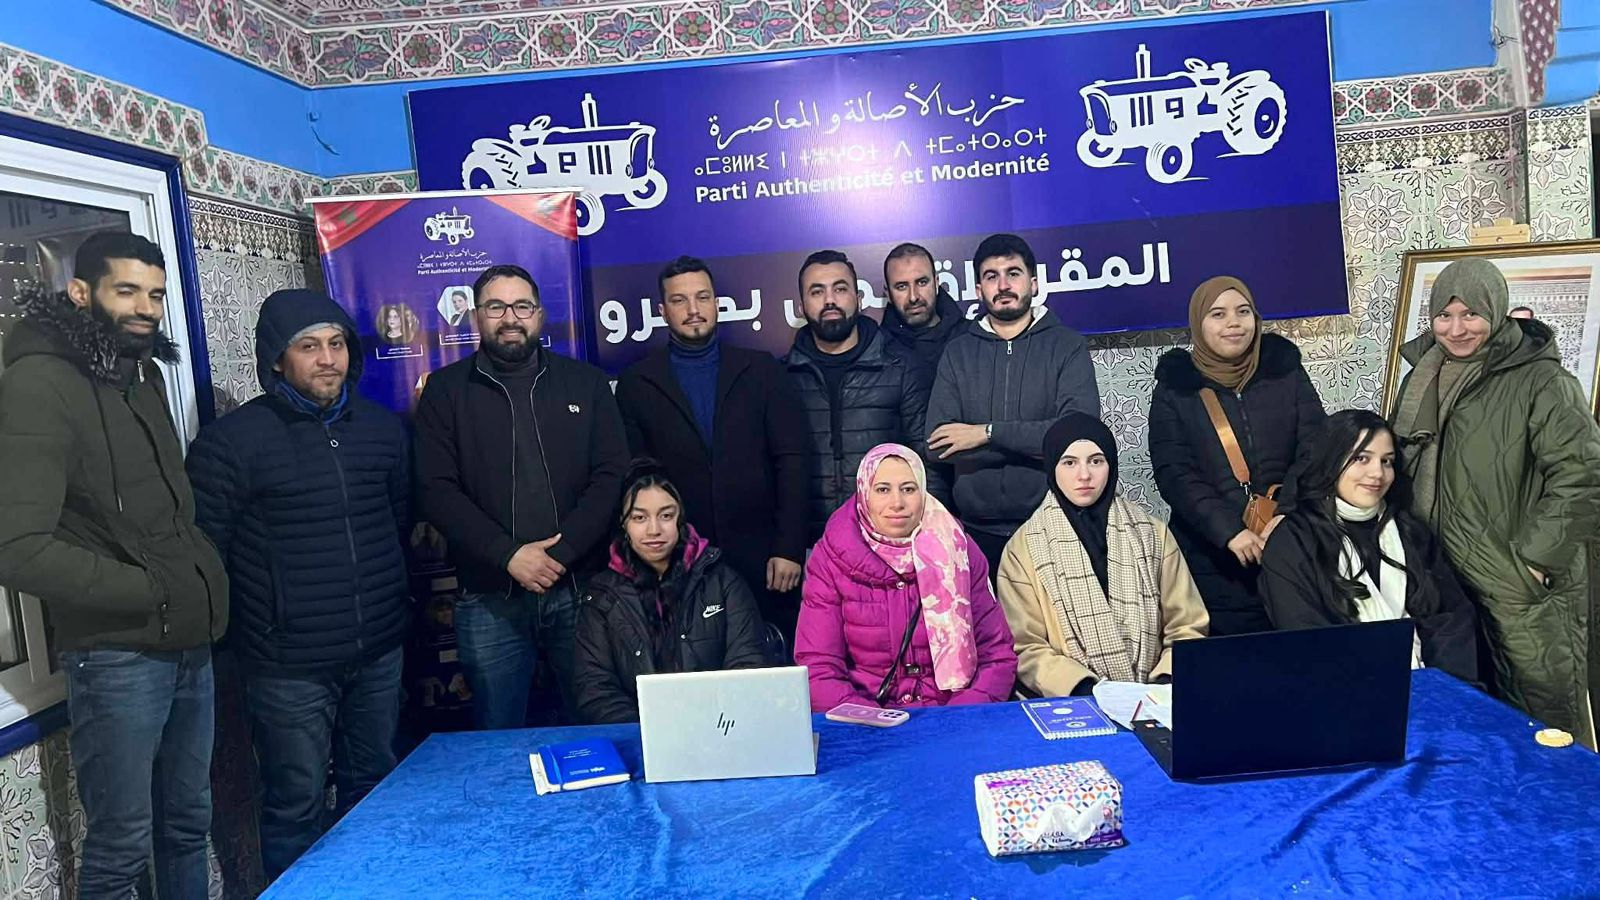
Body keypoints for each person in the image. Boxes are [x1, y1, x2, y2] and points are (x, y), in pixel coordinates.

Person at [0, 232, 227, 900]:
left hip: (187, 640)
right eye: (126, 290)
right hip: (116, 654)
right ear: (80, 292)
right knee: (121, 848)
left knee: (187, 823)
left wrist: (190, 587)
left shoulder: (141, 375)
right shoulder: (38, 383)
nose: (144, 308)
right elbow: (17, 546)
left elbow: (165, 516)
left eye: (154, 294)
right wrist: (148, 590)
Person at [187, 289, 411, 880]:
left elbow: (399, 519)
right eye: (309, 346)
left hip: (377, 650)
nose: (327, 359)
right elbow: (208, 553)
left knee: (376, 787)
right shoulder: (231, 443)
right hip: (288, 666)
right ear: (277, 359)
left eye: (337, 343)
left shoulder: (382, 431)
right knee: (295, 805)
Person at [1392, 258, 1600, 745]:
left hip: (1519, 582)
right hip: (1443, 578)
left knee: (1544, 719)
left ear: (1497, 311)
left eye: (1471, 314)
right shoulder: (1422, 375)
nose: (1457, 329)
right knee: (1471, 720)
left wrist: (1535, 561)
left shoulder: (1542, 381)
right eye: (1444, 316)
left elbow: (1583, 473)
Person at [414, 263, 628, 728]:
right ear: (476, 316)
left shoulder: (586, 383)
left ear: (540, 314)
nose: (510, 317)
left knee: (597, 726)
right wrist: (508, 555)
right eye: (496, 307)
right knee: (498, 735)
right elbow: (435, 490)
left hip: (580, 590)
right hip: (490, 597)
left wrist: (561, 554)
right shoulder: (445, 392)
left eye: (521, 306)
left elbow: (612, 476)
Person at [615, 256, 809, 649]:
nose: (693, 309)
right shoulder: (638, 383)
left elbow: (792, 460)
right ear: (662, 310)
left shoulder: (762, 370)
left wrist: (788, 548)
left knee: (770, 664)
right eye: (680, 300)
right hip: (678, 562)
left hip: (765, 560)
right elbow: (637, 478)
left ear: (716, 303)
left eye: (702, 297)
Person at [1149, 275, 1325, 636]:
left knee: (1300, 650)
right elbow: (1175, 473)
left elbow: (1316, 449)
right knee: (1233, 657)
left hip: (1290, 544)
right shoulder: (1176, 388)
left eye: (1243, 312)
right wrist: (1230, 532)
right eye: (1218, 314)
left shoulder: (1285, 372)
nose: (1233, 323)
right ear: (1198, 323)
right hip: (1213, 558)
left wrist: (1286, 514)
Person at [997, 414, 1208, 697]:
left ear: (1111, 465)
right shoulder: (1023, 548)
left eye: (1096, 461)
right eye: (1069, 463)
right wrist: (1085, 689)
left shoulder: (1151, 533)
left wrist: (1165, 681)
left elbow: (1187, 626)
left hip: (1153, 697)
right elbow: (1025, 646)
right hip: (1072, 701)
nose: (1084, 475)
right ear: (1052, 467)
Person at [1259, 411, 1478, 682]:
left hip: (1432, 685)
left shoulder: (1410, 532)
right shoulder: (1292, 541)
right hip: (1341, 689)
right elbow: (1307, 637)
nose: (1377, 473)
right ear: (1331, 461)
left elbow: (1450, 618)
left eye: (1387, 461)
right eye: (1362, 458)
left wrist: (1443, 688)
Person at [927, 233, 1101, 576]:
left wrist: (986, 434)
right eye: (992, 276)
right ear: (979, 290)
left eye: (1013, 273)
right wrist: (1037, 444)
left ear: (1033, 283)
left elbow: (1077, 436)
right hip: (976, 533)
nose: (1003, 285)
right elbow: (937, 445)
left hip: (1054, 525)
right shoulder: (958, 352)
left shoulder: (1067, 346)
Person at [795, 443, 1017, 710]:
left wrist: (959, 717)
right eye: (883, 490)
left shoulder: (960, 549)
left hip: (952, 713)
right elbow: (818, 667)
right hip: (866, 717)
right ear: (864, 494)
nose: (897, 503)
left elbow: (997, 656)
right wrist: (870, 719)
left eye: (908, 489)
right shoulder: (830, 558)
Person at [573, 461, 767, 724]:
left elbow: (748, 665)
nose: (654, 530)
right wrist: (649, 733)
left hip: (717, 729)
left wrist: (711, 724)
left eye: (666, 516)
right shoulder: (602, 596)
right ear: (623, 524)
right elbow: (595, 688)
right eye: (639, 518)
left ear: (681, 519)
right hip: (637, 735)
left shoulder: (723, 582)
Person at [784, 249, 942, 540]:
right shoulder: (781, 377)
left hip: (892, 542)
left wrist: (928, 538)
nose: (829, 300)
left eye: (840, 289)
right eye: (817, 292)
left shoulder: (901, 367)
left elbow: (928, 463)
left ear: (858, 299)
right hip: (810, 545)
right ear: (801, 306)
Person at [879, 242, 967, 375]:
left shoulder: (971, 338)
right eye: (902, 287)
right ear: (888, 294)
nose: (913, 297)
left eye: (922, 282)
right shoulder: (877, 350)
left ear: (936, 283)